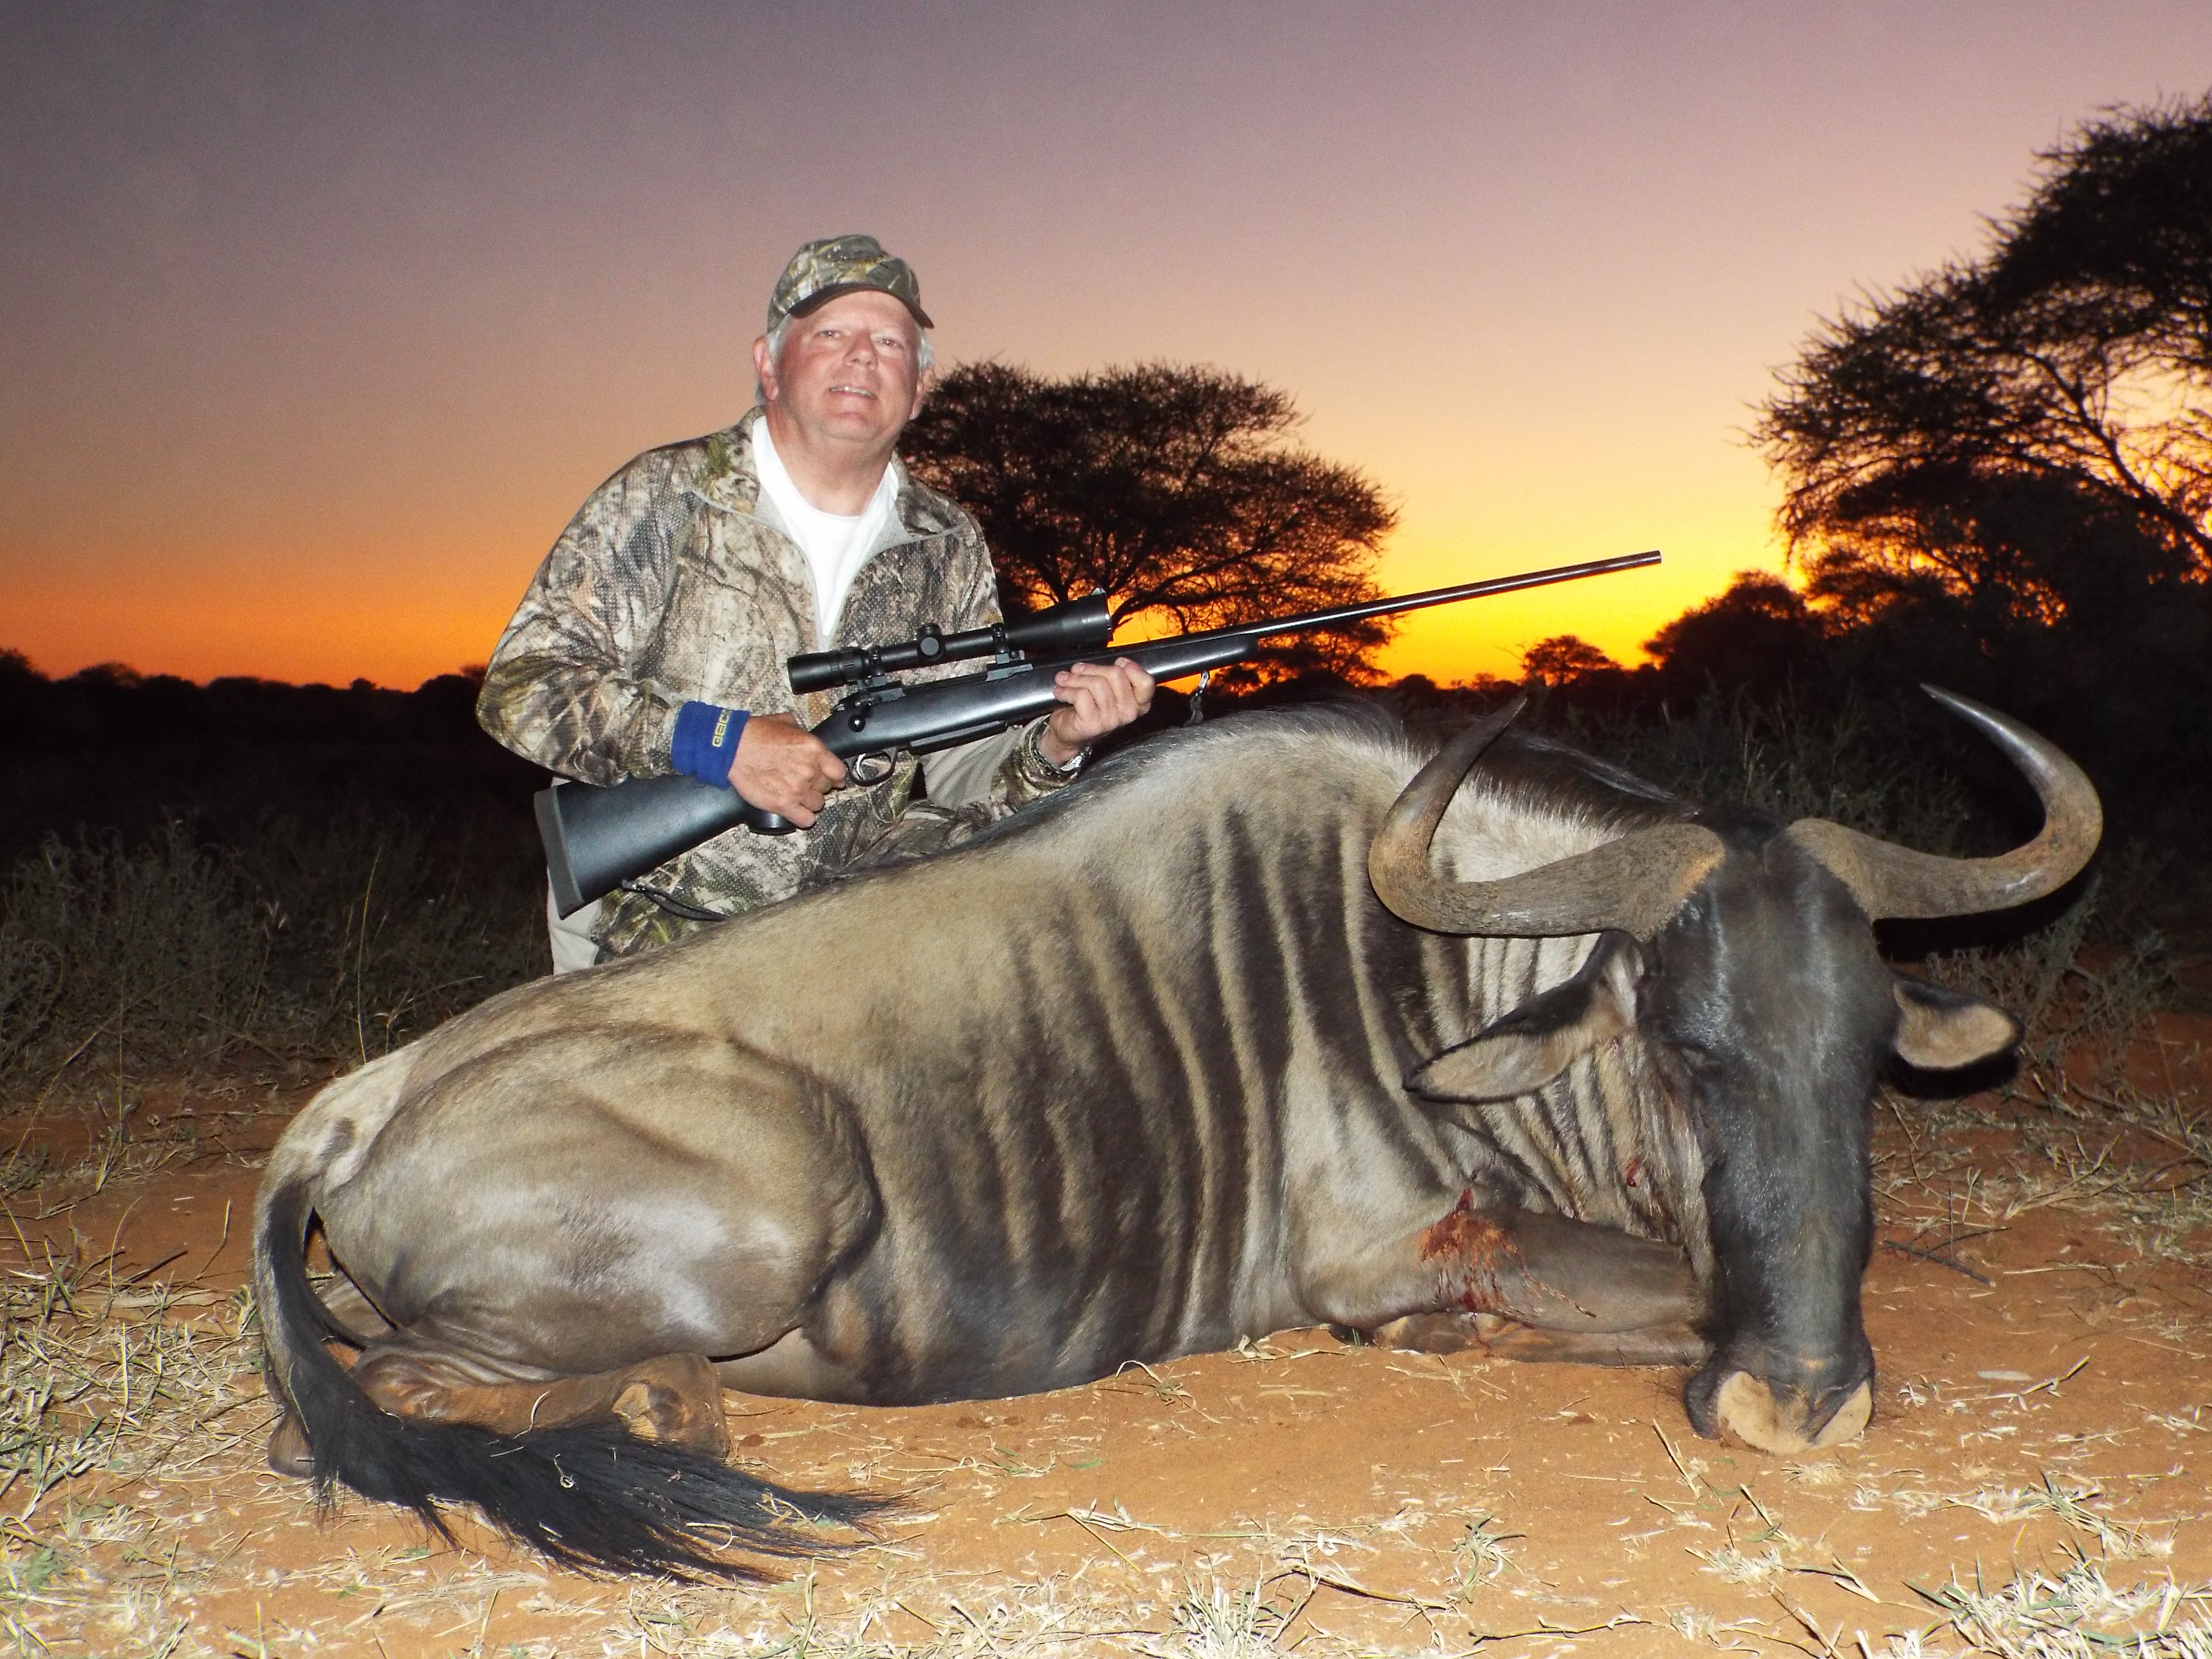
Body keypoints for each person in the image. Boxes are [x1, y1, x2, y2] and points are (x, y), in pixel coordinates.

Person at [479, 235, 1153, 968]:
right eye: (831, 332)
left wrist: (1056, 744)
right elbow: (523, 686)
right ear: (768, 364)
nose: (862, 356)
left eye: (890, 342)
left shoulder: (949, 541)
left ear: (921, 387)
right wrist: (719, 743)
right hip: (650, 945)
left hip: (848, 955)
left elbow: (965, 774)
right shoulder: (664, 497)